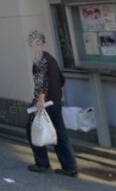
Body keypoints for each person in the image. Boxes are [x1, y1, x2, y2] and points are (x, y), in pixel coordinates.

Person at [26, 30, 78, 177]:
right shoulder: (51, 58)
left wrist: (41, 100)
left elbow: (42, 82)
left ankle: (42, 162)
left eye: (31, 41)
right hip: (56, 100)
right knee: (60, 133)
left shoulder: (39, 59)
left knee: (32, 128)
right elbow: (61, 80)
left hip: (45, 102)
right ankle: (70, 166)